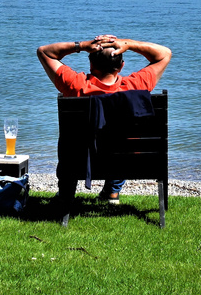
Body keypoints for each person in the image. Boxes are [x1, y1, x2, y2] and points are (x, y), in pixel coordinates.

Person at [36, 34, 171, 201]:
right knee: (121, 143)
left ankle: (66, 193)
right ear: (121, 66)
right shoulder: (135, 86)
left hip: (79, 161)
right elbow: (165, 54)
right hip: (126, 163)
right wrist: (128, 44)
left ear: (91, 64)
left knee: (72, 144)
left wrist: (82, 45)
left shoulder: (77, 85)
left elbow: (44, 52)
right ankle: (112, 191)